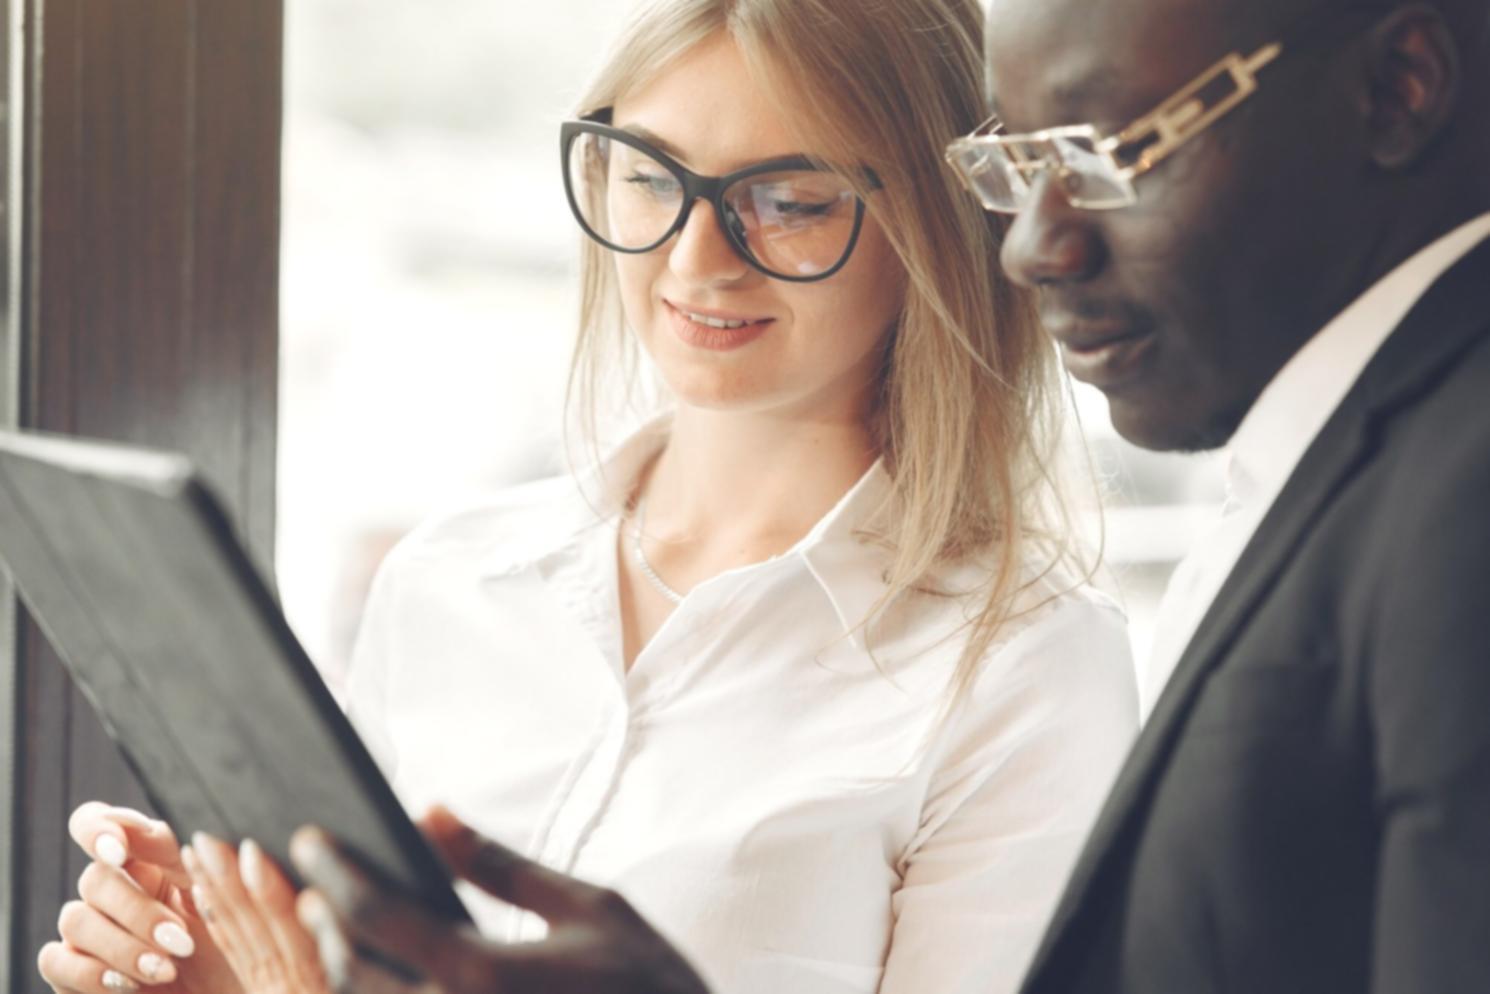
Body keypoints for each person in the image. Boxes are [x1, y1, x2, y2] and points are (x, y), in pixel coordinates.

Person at [84, 0, 1489, 991]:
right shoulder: (446, 577)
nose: (699, 256)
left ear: (936, 231)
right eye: (650, 178)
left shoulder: (1021, 666)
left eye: (789, 200)